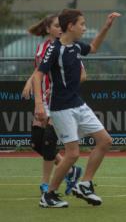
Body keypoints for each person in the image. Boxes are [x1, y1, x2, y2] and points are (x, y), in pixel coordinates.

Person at [34, 9, 121, 208]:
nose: (84, 27)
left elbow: (93, 48)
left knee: (105, 141)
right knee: (72, 154)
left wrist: (106, 27)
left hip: (78, 104)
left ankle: (85, 184)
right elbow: (39, 75)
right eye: (82, 24)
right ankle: (48, 195)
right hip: (61, 107)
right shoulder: (54, 49)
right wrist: (40, 104)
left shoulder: (75, 47)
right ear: (71, 26)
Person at [22, 15, 83, 195]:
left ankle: (46, 184)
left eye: (61, 26)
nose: (60, 29)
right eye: (56, 26)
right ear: (48, 29)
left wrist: (59, 88)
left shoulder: (66, 47)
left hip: (57, 101)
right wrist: (29, 82)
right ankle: (70, 171)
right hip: (43, 101)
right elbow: (39, 70)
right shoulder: (43, 47)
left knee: (49, 141)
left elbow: (82, 74)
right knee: (36, 143)